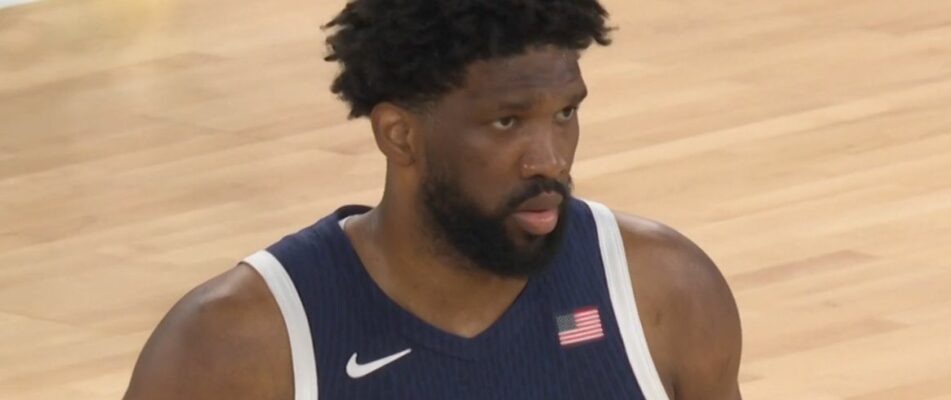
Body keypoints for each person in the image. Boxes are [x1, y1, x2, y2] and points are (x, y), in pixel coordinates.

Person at [123, 0, 742, 399]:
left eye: (566, 113)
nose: (550, 159)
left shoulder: (663, 290)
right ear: (400, 134)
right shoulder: (236, 345)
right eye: (507, 123)